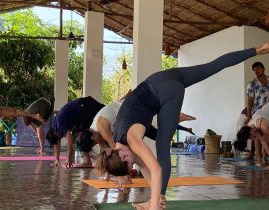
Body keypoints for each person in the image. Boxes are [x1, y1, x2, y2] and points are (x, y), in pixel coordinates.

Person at [96, 42, 269, 210]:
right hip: (163, 78)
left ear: (123, 156)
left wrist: (154, 204)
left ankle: (158, 203)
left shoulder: (132, 141)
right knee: (213, 66)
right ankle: (259, 49)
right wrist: (154, 197)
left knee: (162, 146)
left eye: (129, 164)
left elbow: (155, 170)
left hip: (166, 92)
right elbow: (144, 164)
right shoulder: (122, 140)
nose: (134, 162)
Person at [46, 96, 104, 168]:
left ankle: (92, 161)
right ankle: (88, 161)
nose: (60, 138)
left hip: (85, 106)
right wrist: (56, 159)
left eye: (59, 138)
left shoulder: (61, 125)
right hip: (80, 113)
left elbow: (69, 141)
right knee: (76, 136)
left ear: (55, 133)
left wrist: (69, 158)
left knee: (81, 137)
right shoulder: (55, 127)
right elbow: (56, 143)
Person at [246, 62, 269, 158]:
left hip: (268, 110)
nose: (256, 71)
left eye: (258, 69)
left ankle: (264, 157)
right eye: (254, 70)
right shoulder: (252, 84)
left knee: (265, 134)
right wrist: (249, 115)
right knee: (256, 135)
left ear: (263, 69)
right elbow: (250, 101)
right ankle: (253, 154)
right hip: (257, 111)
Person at [237, 103, 269, 169]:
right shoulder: (251, 126)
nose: (252, 138)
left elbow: (266, 142)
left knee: (267, 137)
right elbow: (262, 141)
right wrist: (260, 161)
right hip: (264, 113)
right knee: (260, 138)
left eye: (250, 137)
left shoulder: (262, 125)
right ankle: (261, 160)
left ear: (250, 131)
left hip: (266, 111)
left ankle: (263, 160)